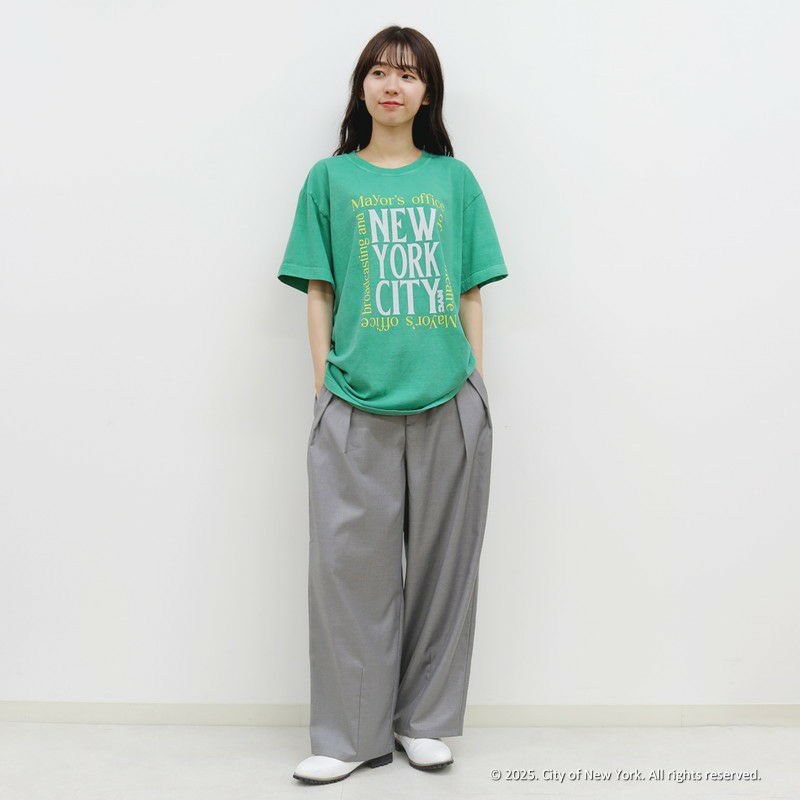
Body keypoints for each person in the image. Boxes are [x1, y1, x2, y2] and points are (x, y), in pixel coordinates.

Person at [277, 25, 508, 785]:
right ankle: (349, 734)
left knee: (446, 570)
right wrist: (323, 383)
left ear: (427, 92)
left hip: (449, 398)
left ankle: (425, 723)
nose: (392, 85)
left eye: (408, 75)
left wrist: (475, 382)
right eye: (379, 72)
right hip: (353, 399)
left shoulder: (454, 181)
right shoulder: (329, 180)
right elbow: (318, 289)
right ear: (362, 86)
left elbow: (470, 290)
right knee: (349, 573)